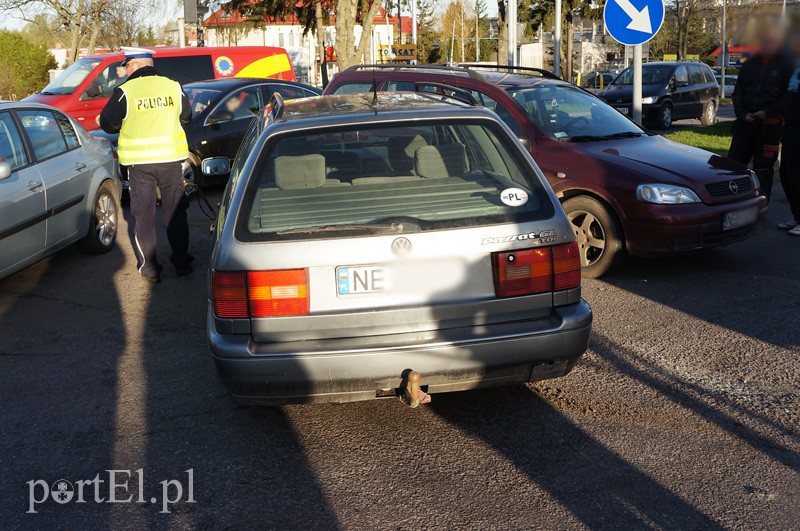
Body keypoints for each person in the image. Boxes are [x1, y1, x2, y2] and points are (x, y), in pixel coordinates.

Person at [99, 47, 193, 283]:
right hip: (170, 161)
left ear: (138, 65)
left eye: (127, 66)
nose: (124, 70)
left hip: (140, 165)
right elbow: (187, 117)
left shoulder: (125, 91)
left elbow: (108, 124)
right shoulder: (173, 85)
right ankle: (182, 263)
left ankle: (150, 268)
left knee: (144, 217)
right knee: (175, 213)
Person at [728, 28, 793, 201]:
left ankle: (761, 204)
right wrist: (743, 114)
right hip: (746, 124)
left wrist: (767, 112)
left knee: (763, 170)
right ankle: (734, 202)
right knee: (734, 166)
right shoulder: (749, 64)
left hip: (769, 126)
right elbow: (738, 93)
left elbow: (787, 97)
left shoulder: (786, 67)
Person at [779, 30, 800, 236]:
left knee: (796, 173)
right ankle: (796, 216)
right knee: (786, 173)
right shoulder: (792, 66)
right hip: (790, 126)